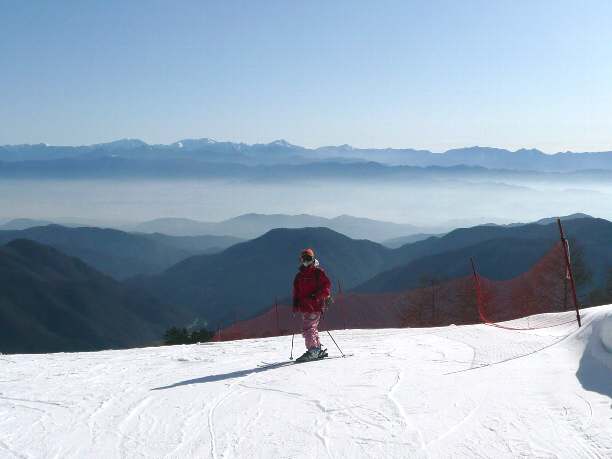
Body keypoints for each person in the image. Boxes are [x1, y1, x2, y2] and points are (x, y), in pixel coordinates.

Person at [292, 248, 332, 362]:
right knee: (311, 327)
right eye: (303, 259)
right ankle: (317, 349)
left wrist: (317, 296)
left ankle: (313, 350)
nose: (306, 261)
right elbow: (296, 291)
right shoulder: (300, 275)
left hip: (315, 305)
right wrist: (295, 304)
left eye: (308, 258)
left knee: (308, 327)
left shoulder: (318, 273)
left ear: (313, 258)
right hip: (305, 306)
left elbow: (326, 287)